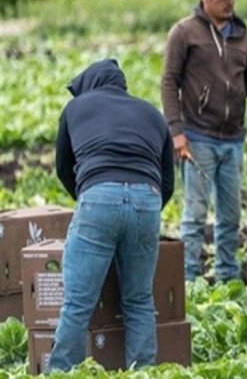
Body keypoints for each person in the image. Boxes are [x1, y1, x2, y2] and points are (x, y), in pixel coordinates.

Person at [50, 59, 175, 371]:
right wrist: (142, 210)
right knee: (139, 300)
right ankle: (144, 372)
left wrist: (90, 199)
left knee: (78, 303)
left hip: (97, 195)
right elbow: (168, 181)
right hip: (147, 200)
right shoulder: (153, 114)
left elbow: (64, 168)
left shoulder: (75, 109)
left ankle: (62, 373)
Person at [161, 0, 247, 282]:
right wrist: (176, 131)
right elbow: (169, 82)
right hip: (198, 136)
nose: (229, 1)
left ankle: (226, 276)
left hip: (233, 139)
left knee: (230, 216)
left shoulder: (241, 34)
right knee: (195, 214)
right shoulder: (184, 33)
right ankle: (188, 278)